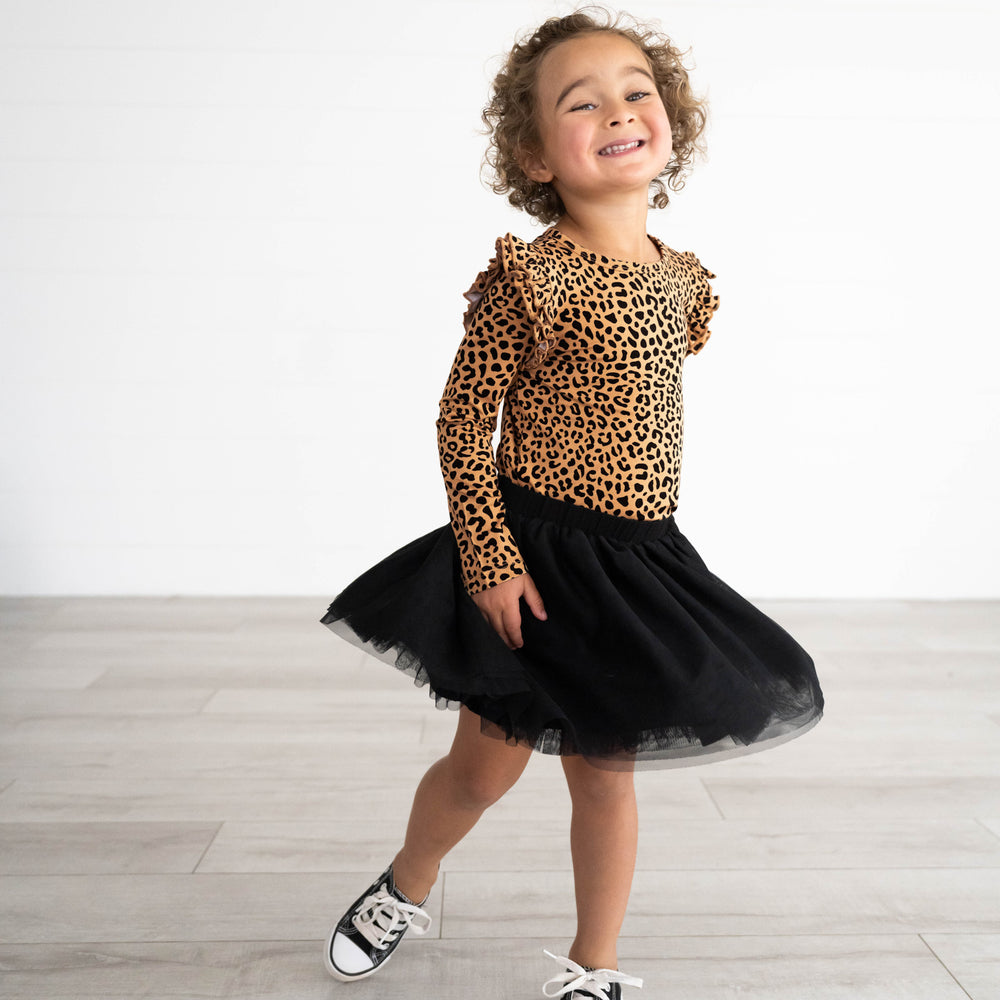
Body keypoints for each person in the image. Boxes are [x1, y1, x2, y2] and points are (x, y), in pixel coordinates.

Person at [318, 7, 825, 998]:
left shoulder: (680, 281)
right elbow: (464, 424)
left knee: (606, 774)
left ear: (669, 120)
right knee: (485, 769)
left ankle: (597, 966)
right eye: (580, 101)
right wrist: (490, 558)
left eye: (637, 90)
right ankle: (405, 881)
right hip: (534, 555)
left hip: (634, 562)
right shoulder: (531, 280)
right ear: (533, 153)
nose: (619, 110)